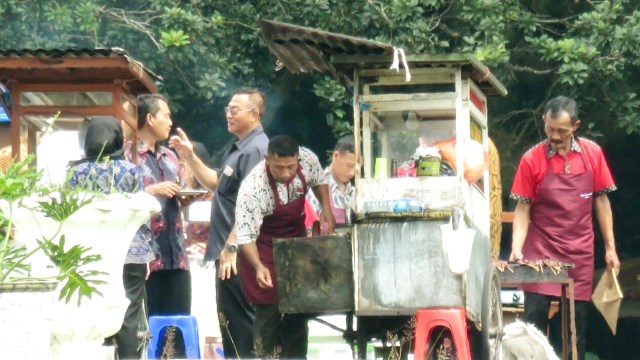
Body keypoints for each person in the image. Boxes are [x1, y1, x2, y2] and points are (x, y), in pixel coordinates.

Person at [508, 96, 621, 360]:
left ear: (576, 126)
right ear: (543, 122)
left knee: (576, 331)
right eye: (550, 129)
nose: (555, 136)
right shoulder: (531, 159)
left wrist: (610, 248)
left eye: (562, 130)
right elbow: (523, 208)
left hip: (579, 253)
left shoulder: (592, 154)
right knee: (533, 327)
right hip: (540, 251)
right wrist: (516, 249)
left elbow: (601, 201)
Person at [169, 87, 269, 358]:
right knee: (231, 327)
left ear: (254, 114)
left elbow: (253, 204)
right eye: (227, 109)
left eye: (234, 110)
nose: (229, 115)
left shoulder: (257, 150)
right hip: (226, 254)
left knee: (242, 330)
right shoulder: (238, 149)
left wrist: (232, 245)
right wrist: (189, 156)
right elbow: (217, 184)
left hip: (238, 256)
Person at [234, 135, 335, 358]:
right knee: (268, 314)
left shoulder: (308, 159)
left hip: (296, 244)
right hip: (262, 248)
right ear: (267, 159)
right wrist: (259, 267)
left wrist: (327, 207)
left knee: (297, 310)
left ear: (298, 159)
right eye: (279, 167)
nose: (286, 173)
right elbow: (245, 236)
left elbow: (319, 180)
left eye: (291, 166)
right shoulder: (253, 188)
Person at [67, 116, 153, 359]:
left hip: (88, 255)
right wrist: (146, 255)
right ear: (117, 138)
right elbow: (142, 214)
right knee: (130, 311)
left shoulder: (75, 173)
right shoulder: (130, 170)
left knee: (90, 310)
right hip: (130, 253)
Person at [129, 94, 191, 316]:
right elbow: (119, 200)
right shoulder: (129, 156)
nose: (170, 122)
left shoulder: (170, 157)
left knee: (177, 327)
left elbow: (180, 193)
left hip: (177, 257)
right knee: (148, 327)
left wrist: (185, 197)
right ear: (149, 119)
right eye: (166, 116)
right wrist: (152, 191)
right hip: (145, 259)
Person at [307, 135, 356, 225]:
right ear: (336, 156)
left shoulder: (356, 193)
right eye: (349, 165)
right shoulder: (316, 188)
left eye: (356, 168)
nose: (352, 173)